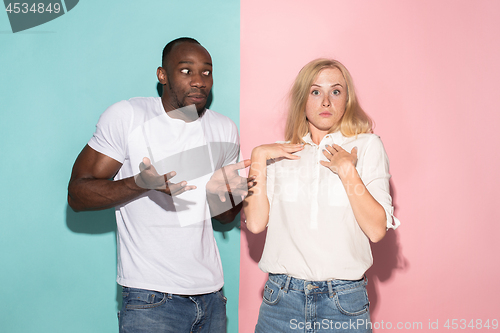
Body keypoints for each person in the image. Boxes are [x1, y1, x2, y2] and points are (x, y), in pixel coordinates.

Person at [68, 37, 251, 333]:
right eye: (186, 70)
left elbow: (225, 218)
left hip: (212, 296)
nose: (199, 81)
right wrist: (141, 183)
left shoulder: (224, 128)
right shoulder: (128, 116)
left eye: (207, 72)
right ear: (162, 75)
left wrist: (228, 196)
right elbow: (77, 194)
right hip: (150, 297)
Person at [244, 58, 400, 332]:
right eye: (316, 91)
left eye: (335, 91)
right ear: (302, 99)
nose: (326, 101)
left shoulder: (366, 146)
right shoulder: (278, 152)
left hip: (343, 303)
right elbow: (255, 224)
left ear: (347, 99)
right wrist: (258, 157)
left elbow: (376, 230)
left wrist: (347, 171)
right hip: (281, 300)